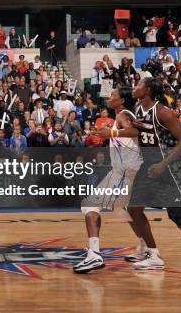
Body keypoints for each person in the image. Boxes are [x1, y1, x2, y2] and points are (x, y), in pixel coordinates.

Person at [127, 77, 181, 282]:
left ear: (148, 90)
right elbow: (144, 134)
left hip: (168, 169)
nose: (135, 87)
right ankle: (153, 255)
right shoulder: (140, 109)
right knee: (133, 208)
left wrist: (162, 164)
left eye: (139, 85)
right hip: (148, 167)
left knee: (177, 214)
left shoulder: (162, 112)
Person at [73, 86, 141, 273]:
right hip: (126, 169)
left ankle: (94, 255)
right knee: (122, 209)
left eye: (113, 95)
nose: (110, 97)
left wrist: (111, 133)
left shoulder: (123, 114)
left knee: (89, 205)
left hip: (124, 170)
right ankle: (147, 249)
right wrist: (103, 132)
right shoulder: (121, 115)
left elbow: (134, 132)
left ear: (122, 100)